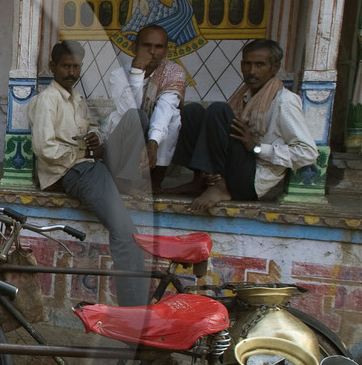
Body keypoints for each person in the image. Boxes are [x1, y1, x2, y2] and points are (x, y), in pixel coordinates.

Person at [28, 42, 148, 307]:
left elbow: (93, 129)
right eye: (65, 66)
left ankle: (122, 180)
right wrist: (83, 152)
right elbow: (44, 147)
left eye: (76, 66)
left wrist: (96, 140)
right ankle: (136, 313)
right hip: (71, 172)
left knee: (136, 117)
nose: (71, 72)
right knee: (125, 232)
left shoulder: (78, 99)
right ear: (53, 67)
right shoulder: (48, 100)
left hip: (91, 166)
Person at [176, 39, 318, 212]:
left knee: (219, 110)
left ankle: (220, 187)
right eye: (247, 64)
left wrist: (257, 148)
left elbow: (308, 153)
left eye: (260, 65)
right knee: (193, 112)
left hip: (252, 181)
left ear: (274, 68)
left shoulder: (284, 102)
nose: (252, 72)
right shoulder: (245, 96)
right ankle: (200, 180)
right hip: (235, 167)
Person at [104, 23, 188, 192]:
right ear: (134, 47)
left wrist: (153, 142)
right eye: (146, 45)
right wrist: (136, 73)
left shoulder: (174, 72)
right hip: (124, 137)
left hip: (153, 134)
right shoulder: (118, 75)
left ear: (165, 51)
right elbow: (130, 112)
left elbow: (166, 107)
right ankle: (123, 179)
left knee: (172, 118)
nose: (152, 52)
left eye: (158, 47)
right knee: (138, 115)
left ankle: (156, 180)